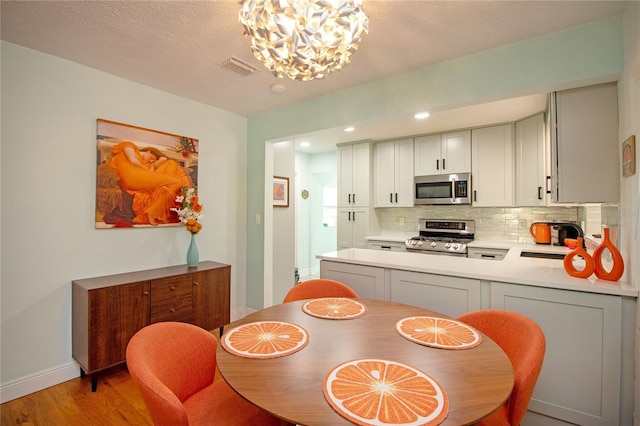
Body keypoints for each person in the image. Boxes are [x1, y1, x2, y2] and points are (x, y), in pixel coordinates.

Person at [109, 141, 190, 225]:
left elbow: (153, 173)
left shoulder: (145, 164)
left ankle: (163, 191)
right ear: (148, 151)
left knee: (171, 163)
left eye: (153, 160)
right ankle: (153, 211)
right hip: (134, 178)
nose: (151, 161)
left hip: (141, 177)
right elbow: (133, 161)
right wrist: (148, 169)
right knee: (177, 182)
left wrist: (161, 160)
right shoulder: (128, 145)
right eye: (152, 157)